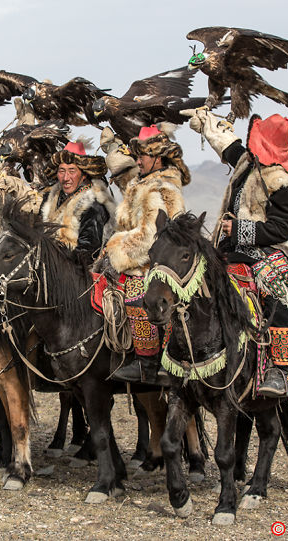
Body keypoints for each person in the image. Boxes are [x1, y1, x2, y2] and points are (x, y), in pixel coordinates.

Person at [183, 108, 288, 398]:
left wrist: (240, 229)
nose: (250, 148)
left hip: (276, 252)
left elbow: (280, 229)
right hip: (235, 249)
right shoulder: (248, 164)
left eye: (255, 143)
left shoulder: (282, 183)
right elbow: (228, 145)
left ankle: (282, 369)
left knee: (275, 290)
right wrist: (206, 121)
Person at [103, 124, 190, 383]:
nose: (137, 160)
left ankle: (150, 363)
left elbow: (150, 236)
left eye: (142, 156)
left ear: (157, 157)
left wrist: (115, 252)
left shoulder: (161, 187)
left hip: (158, 262)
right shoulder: (144, 183)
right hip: (139, 258)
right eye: (136, 155)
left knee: (135, 293)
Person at [39, 141, 116, 258]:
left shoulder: (93, 205)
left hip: (74, 270)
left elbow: (87, 251)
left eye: (72, 171)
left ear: (83, 174)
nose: (66, 178)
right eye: (62, 171)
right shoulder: (49, 198)